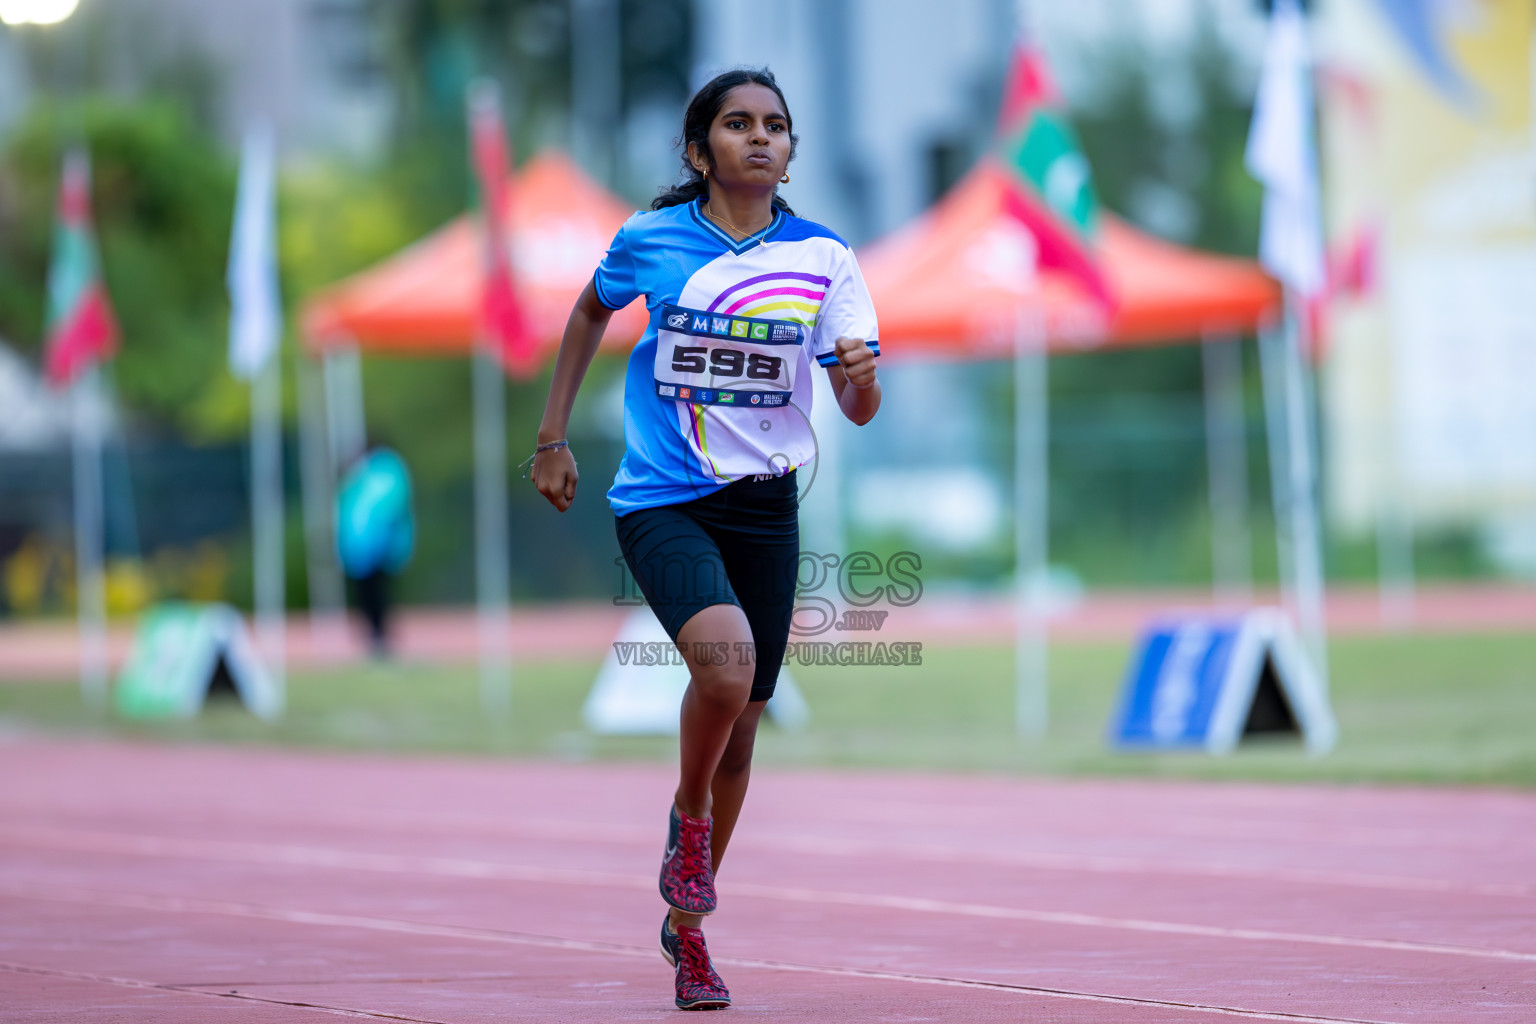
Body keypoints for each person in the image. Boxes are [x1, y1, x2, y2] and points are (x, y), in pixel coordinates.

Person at [530, 68, 881, 1011]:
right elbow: (588, 312)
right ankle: (689, 827)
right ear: (700, 151)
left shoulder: (826, 260)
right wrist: (552, 438)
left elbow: (859, 406)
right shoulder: (651, 241)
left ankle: (687, 935)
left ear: (790, 150)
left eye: (776, 126)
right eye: (738, 124)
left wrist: (856, 373)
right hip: (661, 499)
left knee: (744, 732)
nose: (760, 139)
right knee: (723, 671)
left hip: (768, 505)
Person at [335, 443, 415, 659]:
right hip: (363, 548)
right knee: (368, 594)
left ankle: (379, 634)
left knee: (375, 593)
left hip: (376, 547)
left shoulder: (377, 477)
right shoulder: (366, 478)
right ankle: (374, 634)